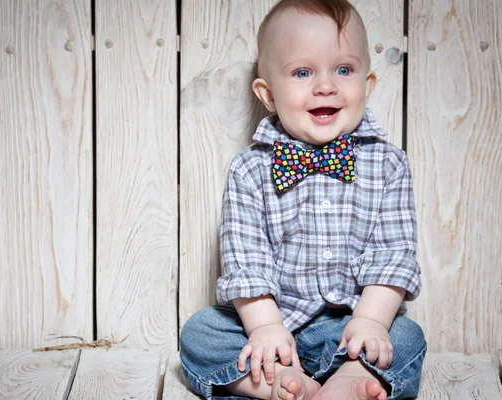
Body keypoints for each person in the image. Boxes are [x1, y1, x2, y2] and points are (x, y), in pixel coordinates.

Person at [179, 0, 427, 399]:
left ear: (367, 84)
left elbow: (393, 255)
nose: (325, 85)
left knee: (406, 336)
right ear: (269, 94)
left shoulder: (389, 165)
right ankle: (278, 382)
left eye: (343, 69)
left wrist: (370, 323)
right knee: (200, 333)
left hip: (349, 329)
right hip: (274, 326)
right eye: (302, 72)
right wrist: (264, 328)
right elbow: (246, 258)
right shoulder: (250, 169)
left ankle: (347, 380)